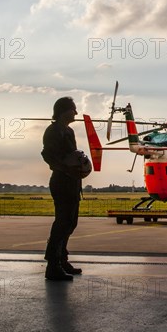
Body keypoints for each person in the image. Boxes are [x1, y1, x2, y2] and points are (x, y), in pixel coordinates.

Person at [41, 96, 91, 281]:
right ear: (64, 110)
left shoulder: (68, 131)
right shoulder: (53, 131)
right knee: (62, 223)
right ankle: (53, 266)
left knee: (71, 222)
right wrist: (65, 168)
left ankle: (62, 260)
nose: (76, 112)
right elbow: (47, 155)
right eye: (73, 109)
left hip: (72, 182)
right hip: (62, 181)